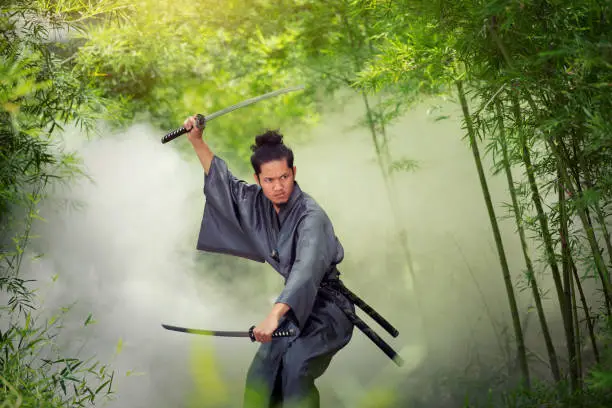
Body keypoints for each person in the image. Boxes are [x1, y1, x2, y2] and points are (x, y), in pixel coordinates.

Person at [183, 114, 355, 408]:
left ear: (294, 172)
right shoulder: (258, 204)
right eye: (270, 180)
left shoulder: (311, 217)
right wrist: (197, 141)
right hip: (294, 309)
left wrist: (274, 316)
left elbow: (305, 271)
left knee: (295, 369)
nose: (278, 187)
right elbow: (225, 185)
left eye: (284, 177)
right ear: (258, 180)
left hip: (328, 309)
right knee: (262, 373)